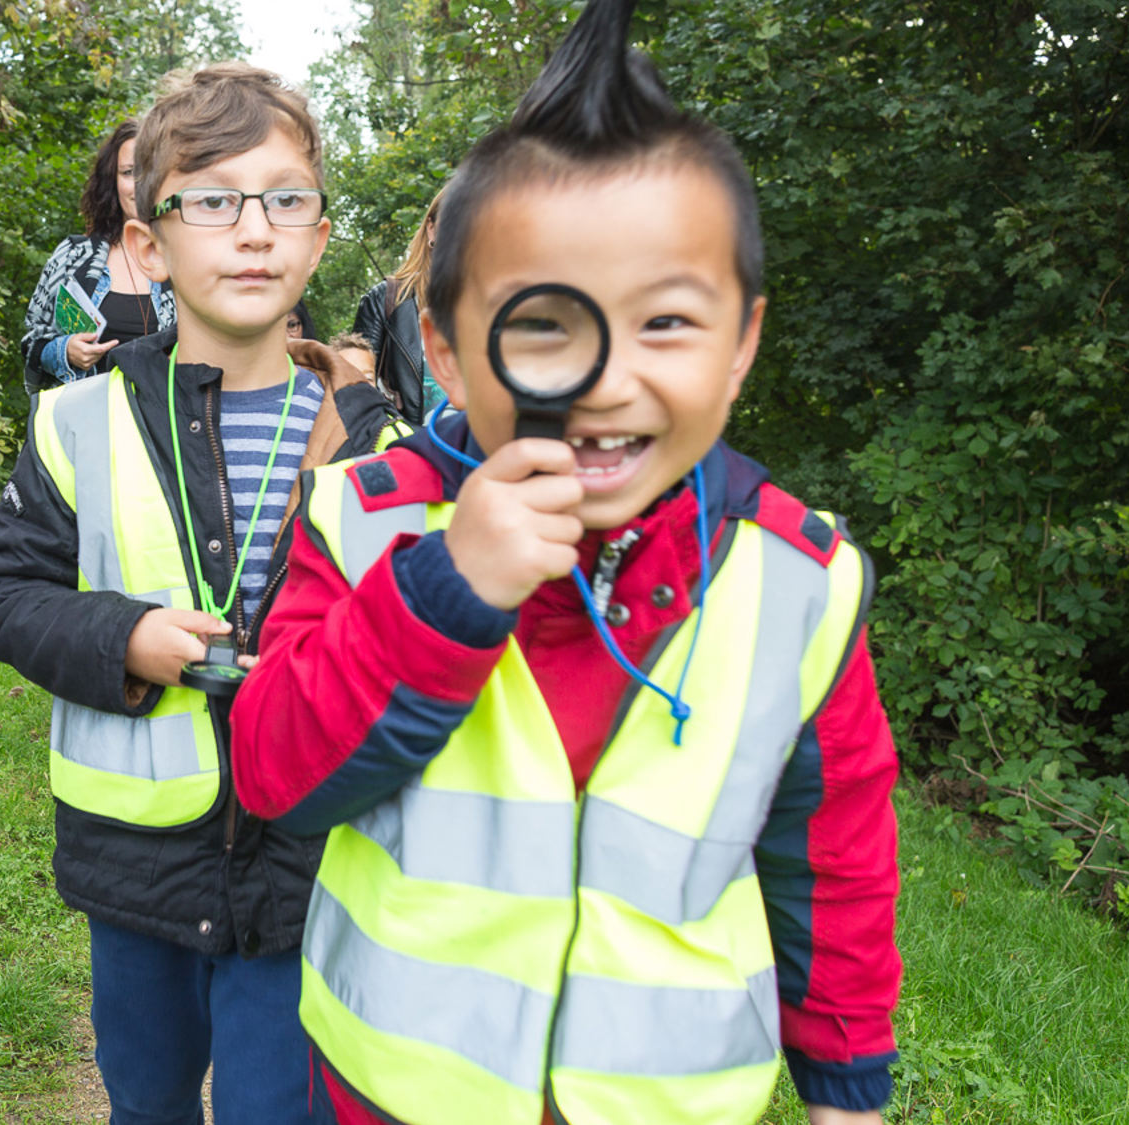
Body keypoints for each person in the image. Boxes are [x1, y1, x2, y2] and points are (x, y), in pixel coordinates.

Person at [230, 3, 901, 1124]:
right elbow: (273, 772)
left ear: (741, 346)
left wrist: (844, 1089)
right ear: (444, 346)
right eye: (544, 324)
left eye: (670, 324)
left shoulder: (793, 580)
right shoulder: (364, 519)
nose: (605, 382)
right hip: (397, 1094)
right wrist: (441, 594)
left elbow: (830, 862)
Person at [0, 62, 402, 1125]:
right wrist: (121, 635)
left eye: (283, 199)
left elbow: (408, 636)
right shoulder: (77, 424)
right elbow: (6, 593)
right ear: (152, 248)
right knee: (149, 1101)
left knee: (275, 1109)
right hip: (136, 870)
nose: (251, 230)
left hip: (309, 859)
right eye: (211, 200)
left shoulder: (374, 439)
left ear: (318, 237)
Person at [20, 120, 178, 395]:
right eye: (129, 172)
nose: (139, 185)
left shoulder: (191, 258)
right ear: (112, 181)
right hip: (88, 427)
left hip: (169, 429)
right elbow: (32, 344)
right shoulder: (73, 258)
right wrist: (64, 351)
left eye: (150, 171)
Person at [350, 188, 444, 426]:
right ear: (431, 228)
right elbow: (355, 393)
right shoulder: (386, 300)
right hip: (409, 450)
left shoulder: (495, 304)